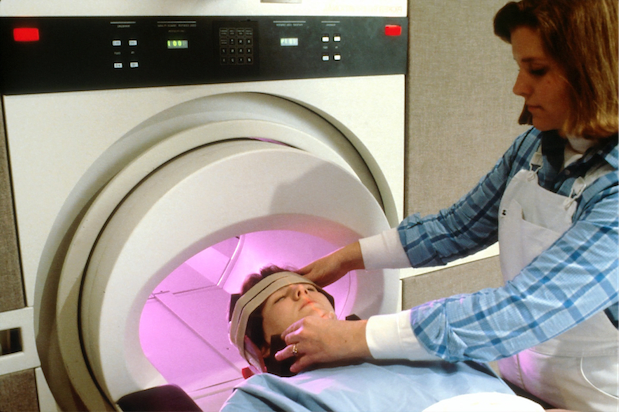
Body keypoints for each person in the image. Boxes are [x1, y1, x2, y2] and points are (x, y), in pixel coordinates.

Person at [274, 1, 619, 411]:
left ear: (591, 71)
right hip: (513, 385)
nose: (518, 87)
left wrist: (354, 337)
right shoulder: (535, 147)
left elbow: (520, 311)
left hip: (594, 397)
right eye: (519, 67)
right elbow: (456, 228)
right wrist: (348, 258)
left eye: (536, 70)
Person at [222, 266, 544, 412]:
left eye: (310, 289)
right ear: (262, 345)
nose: (301, 291)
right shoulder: (272, 394)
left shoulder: (409, 338)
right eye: (281, 299)